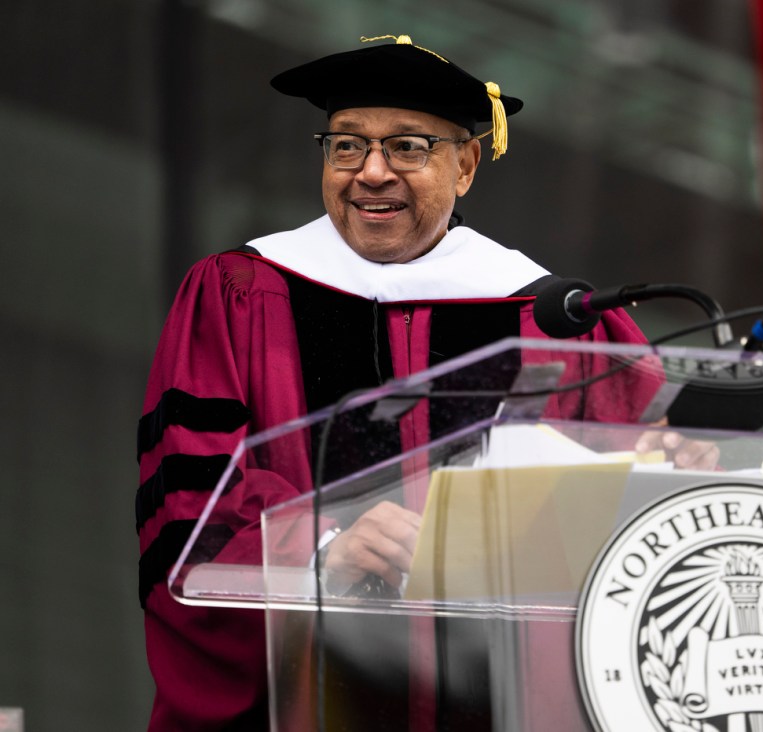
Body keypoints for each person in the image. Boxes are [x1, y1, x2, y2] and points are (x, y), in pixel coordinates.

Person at [136, 34, 715, 731]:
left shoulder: (557, 317)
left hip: (506, 704)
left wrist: (673, 479)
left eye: (407, 147)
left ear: (466, 164)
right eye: (346, 146)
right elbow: (191, 503)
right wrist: (318, 553)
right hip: (310, 697)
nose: (371, 172)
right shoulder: (240, 292)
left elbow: (643, 536)